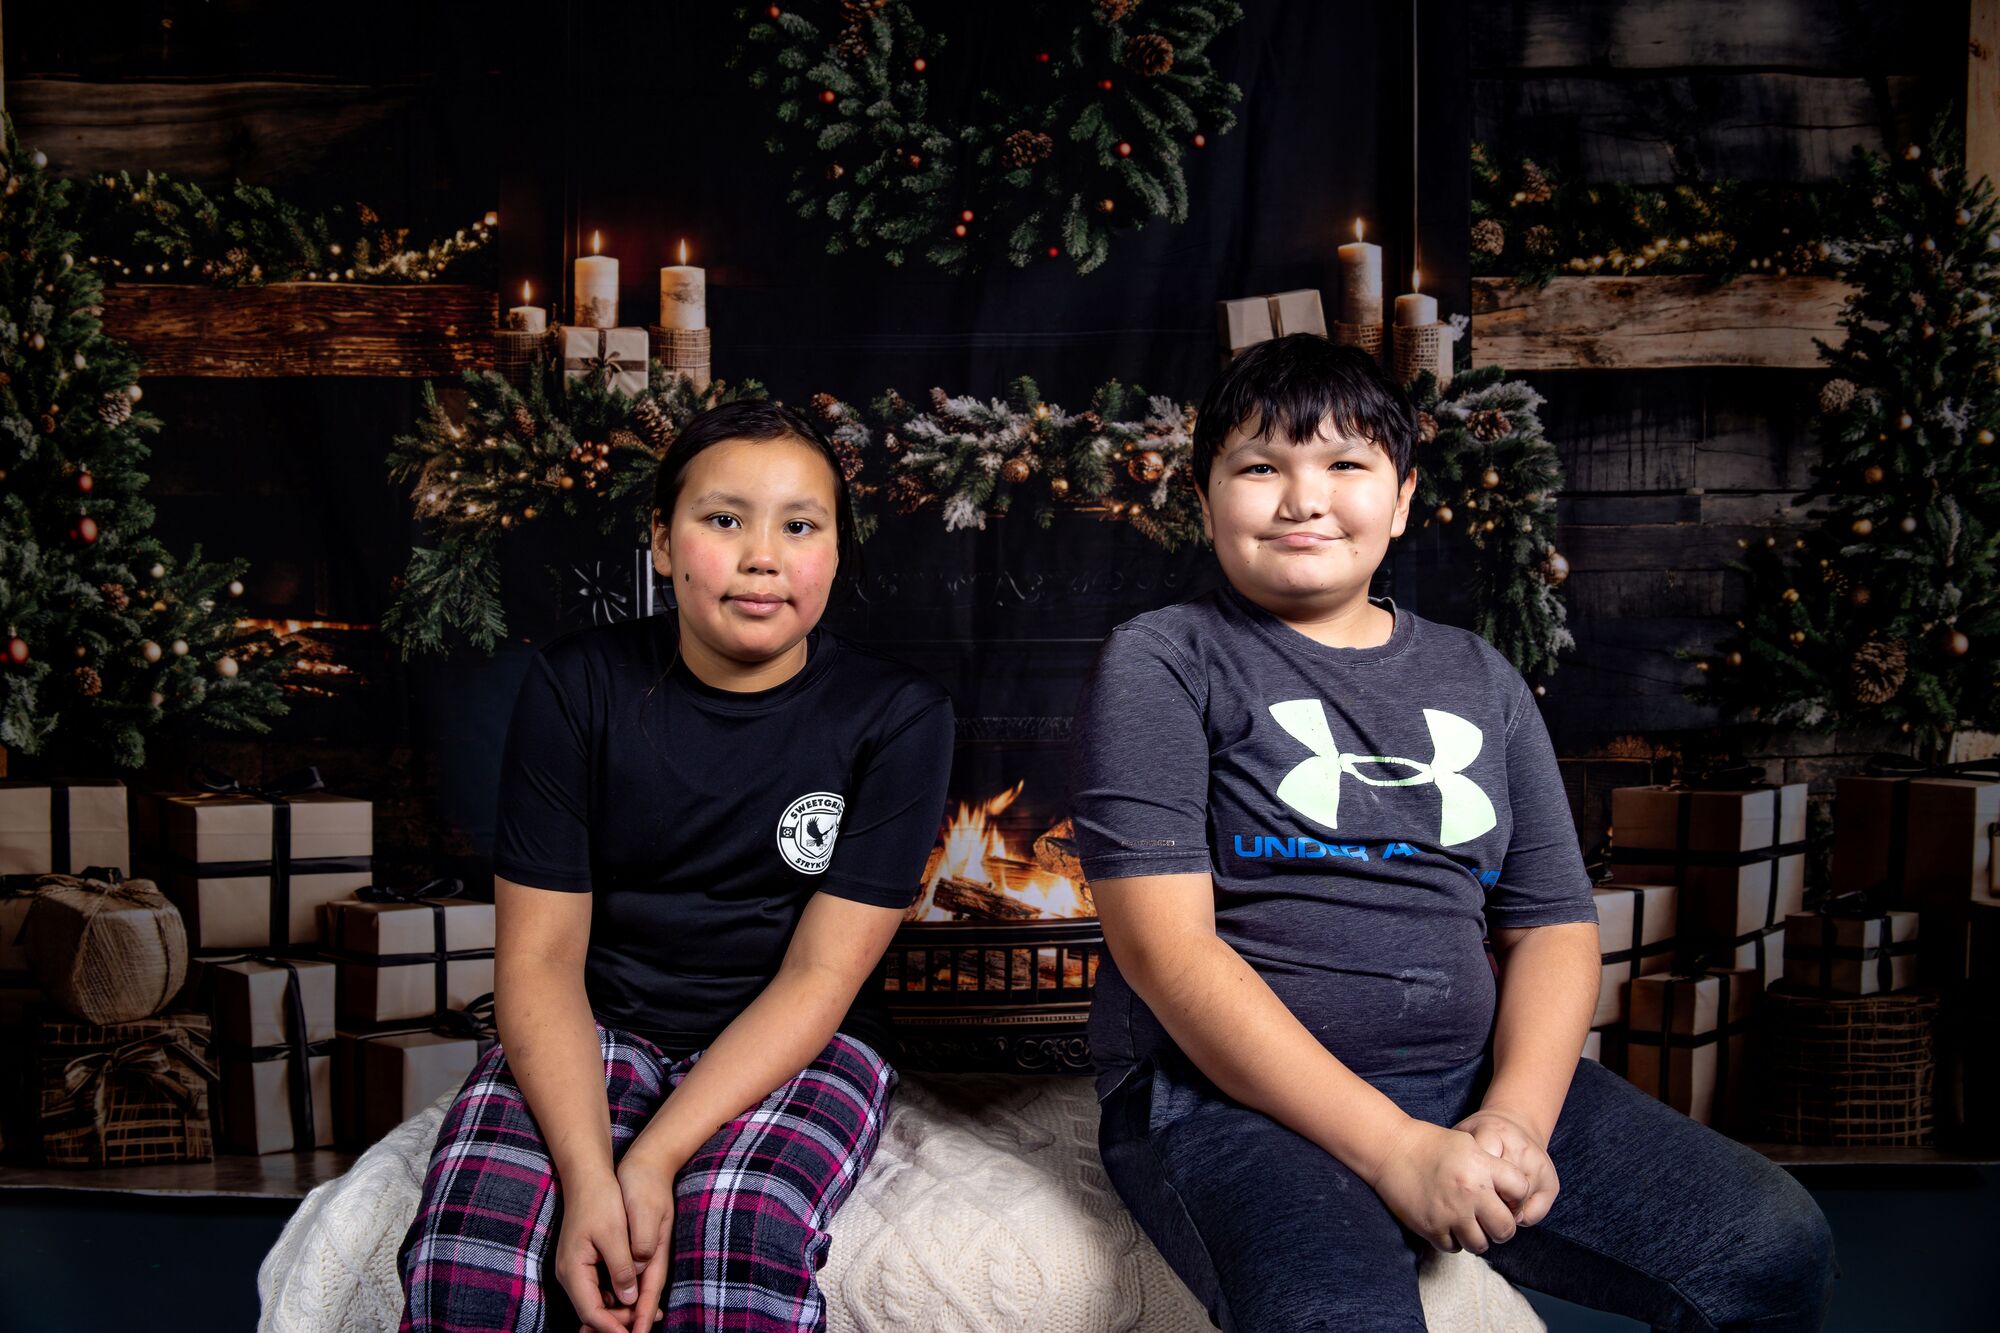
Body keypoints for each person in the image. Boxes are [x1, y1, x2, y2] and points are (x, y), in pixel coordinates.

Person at [1068, 335, 1836, 1331]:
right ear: (1203, 500)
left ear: (1401, 498)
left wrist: (1514, 1117)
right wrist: (1396, 1150)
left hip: (1465, 1076)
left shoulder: (1478, 678)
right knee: (1338, 1318)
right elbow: (1166, 950)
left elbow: (1552, 923)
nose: (1303, 500)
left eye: (1345, 464)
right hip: (1226, 1100)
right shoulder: (1165, 661)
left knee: (1772, 1243)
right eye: (1259, 468)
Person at [398, 400, 955, 1333]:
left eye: (800, 526)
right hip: (598, 1020)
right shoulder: (577, 686)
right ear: (662, 540)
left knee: (737, 1229)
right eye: (724, 518)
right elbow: (539, 958)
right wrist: (591, 1176)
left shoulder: (897, 715)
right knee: (472, 1248)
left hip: (799, 1039)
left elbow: (821, 974)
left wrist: (653, 1159)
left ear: (836, 552)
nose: (762, 556)